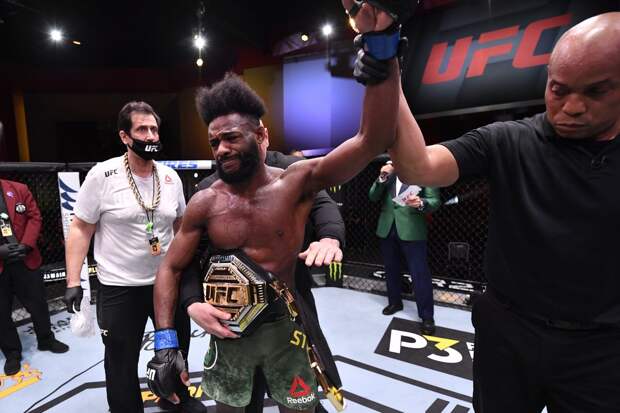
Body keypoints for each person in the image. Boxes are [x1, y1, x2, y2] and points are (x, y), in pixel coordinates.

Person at [349, 4, 620, 412]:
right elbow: (418, 165)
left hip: (602, 347)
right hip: (508, 331)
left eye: (595, 91)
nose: (572, 106)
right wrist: (386, 63)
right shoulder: (508, 140)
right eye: (558, 89)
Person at [146, 51, 399, 412]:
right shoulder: (205, 201)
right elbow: (171, 267)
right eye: (214, 143)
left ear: (261, 134)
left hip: (287, 328)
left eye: (231, 137)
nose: (222, 149)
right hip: (230, 333)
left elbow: (371, 139)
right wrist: (167, 342)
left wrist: (384, 62)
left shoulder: (295, 183)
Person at [179, 140, 346, 413]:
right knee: (244, 396)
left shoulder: (293, 170)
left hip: (290, 301)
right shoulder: (210, 189)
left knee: (301, 394)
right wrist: (192, 301)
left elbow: (323, 205)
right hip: (235, 311)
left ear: (262, 135)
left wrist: (329, 237)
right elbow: (186, 256)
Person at [62, 101, 205, 413]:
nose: (151, 135)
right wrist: (73, 280)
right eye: (142, 129)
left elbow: (181, 227)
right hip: (120, 287)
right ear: (125, 136)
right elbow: (81, 228)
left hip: (167, 283)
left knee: (176, 347)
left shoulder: (169, 177)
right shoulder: (102, 175)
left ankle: (175, 397)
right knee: (121, 360)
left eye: (154, 129)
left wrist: (190, 276)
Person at [0, 177, 69, 376]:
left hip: (25, 258)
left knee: (38, 304)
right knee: (1, 313)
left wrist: (26, 244)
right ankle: (12, 353)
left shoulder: (19, 189)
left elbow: (34, 217)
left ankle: (46, 339)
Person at [368, 158, 439, 334]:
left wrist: (421, 203)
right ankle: (395, 303)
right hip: (387, 228)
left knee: (419, 273)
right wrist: (382, 177)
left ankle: (427, 316)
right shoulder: (389, 175)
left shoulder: (423, 173)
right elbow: (372, 196)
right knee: (391, 269)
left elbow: (435, 201)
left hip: (412, 230)